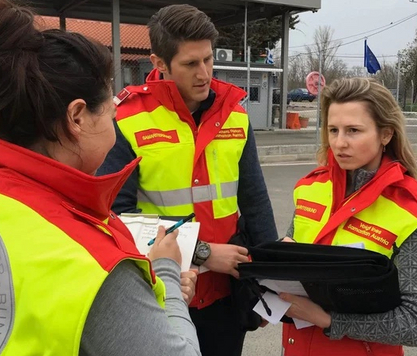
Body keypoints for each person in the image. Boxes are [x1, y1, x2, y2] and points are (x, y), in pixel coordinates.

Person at [0, 1, 201, 355]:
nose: (116, 116)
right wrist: (166, 274)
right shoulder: (96, 268)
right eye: (109, 109)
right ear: (77, 117)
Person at [96, 4, 278, 356]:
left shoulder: (236, 116)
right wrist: (204, 254)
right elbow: (114, 216)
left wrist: (273, 283)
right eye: (190, 64)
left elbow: (256, 203)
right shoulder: (127, 120)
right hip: (160, 293)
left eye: (208, 60)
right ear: (159, 63)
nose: (204, 73)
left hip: (227, 297)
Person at [278, 77, 417, 356]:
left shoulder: (409, 209)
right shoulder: (310, 188)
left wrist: (329, 320)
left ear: (386, 134)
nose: (339, 143)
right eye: (333, 130)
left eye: (353, 130)